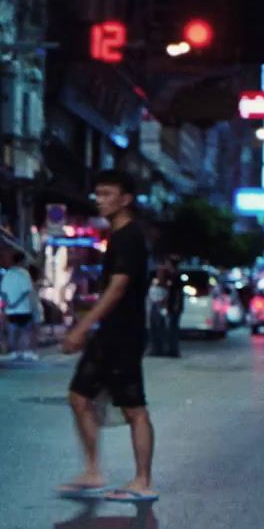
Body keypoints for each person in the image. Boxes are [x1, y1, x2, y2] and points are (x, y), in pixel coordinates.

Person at [58, 171, 157, 503]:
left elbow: (118, 289)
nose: (99, 200)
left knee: (134, 409)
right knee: (79, 397)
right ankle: (93, 471)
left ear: (125, 199)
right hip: (108, 335)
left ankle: (142, 480)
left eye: (107, 194)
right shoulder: (116, 237)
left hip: (124, 335)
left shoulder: (129, 237)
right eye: (97, 194)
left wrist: (82, 329)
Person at [1, 250, 37, 361]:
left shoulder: (7, 273)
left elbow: (3, 292)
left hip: (10, 309)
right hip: (24, 308)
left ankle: (14, 352)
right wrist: (20, 303)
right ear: (22, 261)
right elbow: (27, 291)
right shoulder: (24, 274)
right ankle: (26, 351)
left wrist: (9, 303)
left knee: (13, 331)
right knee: (26, 331)